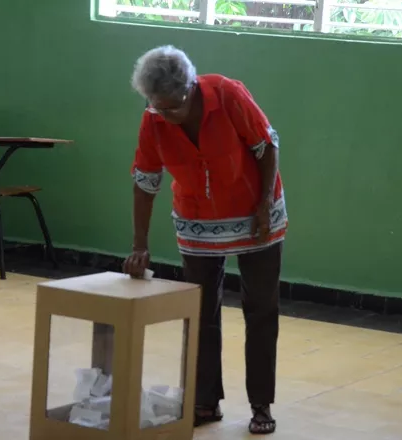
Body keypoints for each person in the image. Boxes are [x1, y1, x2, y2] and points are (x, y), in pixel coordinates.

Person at [122, 45, 287, 435]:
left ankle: (261, 404)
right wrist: (139, 245)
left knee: (260, 310)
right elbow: (145, 182)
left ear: (190, 88)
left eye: (172, 107)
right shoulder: (154, 117)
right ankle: (205, 401)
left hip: (255, 214)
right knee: (201, 312)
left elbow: (267, 147)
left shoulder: (228, 94)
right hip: (197, 222)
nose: (165, 116)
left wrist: (263, 205)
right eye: (157, 107)